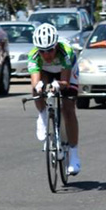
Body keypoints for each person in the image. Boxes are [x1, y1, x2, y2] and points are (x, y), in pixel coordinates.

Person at [27, 23, 81, 175]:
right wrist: (39, 88)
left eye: (50, 50)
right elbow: (35, 82)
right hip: (46, 72)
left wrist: (58, 85)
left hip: (66, 74)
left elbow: (66, 82)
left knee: (68, 109)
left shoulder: (66, 52)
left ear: (56, 45)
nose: (47, 55)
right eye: (42, 51)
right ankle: (43, 115)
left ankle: (74, 156)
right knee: (37, 89)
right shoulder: (34, 56)